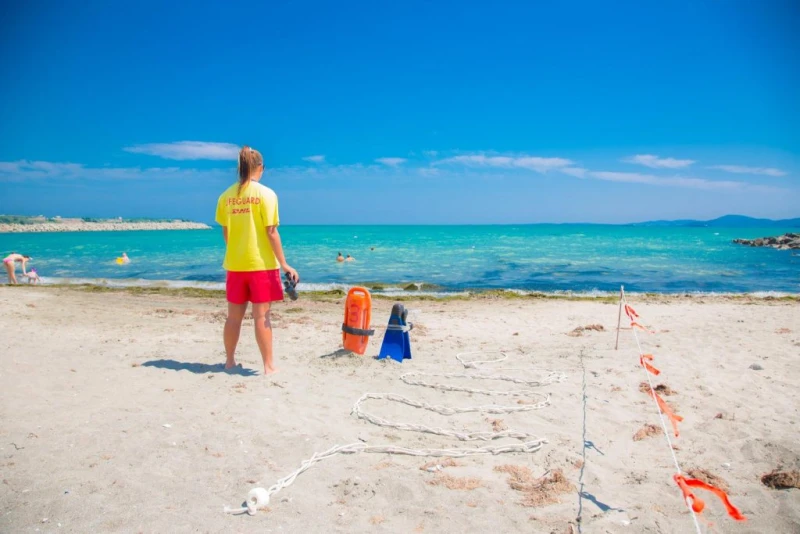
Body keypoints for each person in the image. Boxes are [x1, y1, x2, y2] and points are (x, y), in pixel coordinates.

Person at [215, 146, 299, 376]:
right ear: (260, 168)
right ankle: (268, 366)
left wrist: (236, 251)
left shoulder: (226, 196)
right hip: (261, 265)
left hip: (235, 265)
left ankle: (230, 362)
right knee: (262, 316)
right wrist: (285, 264)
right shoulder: (267, 194)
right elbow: (271, 232)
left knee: (233, 317)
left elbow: (226, 232)